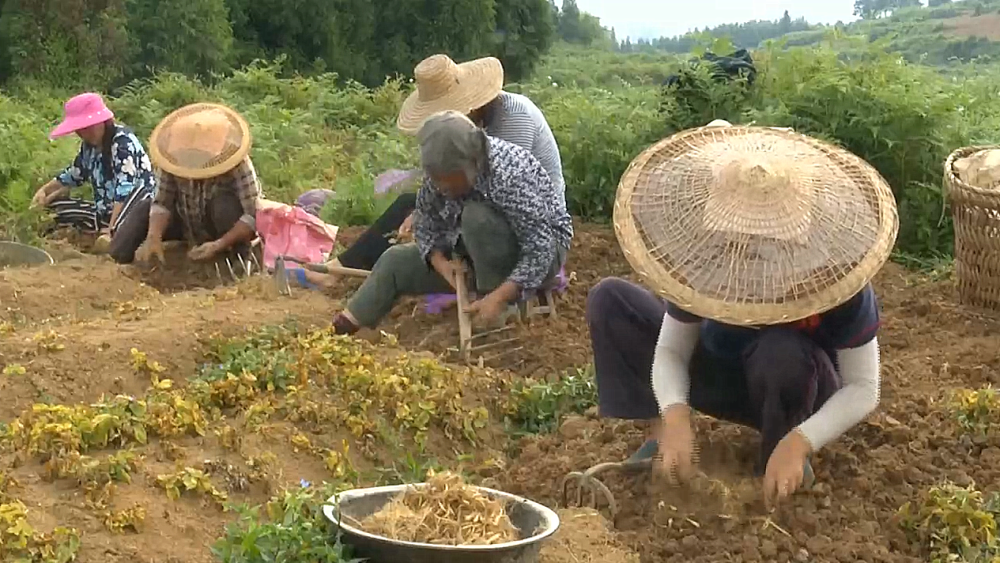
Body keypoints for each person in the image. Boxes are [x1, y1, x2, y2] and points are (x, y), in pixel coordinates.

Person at [586, 123, 899, 507]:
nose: (751, 248)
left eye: (764, 239)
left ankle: (777, 453)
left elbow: (864, 388)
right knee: (613, 299)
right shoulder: (710, 259)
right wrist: (675, 413)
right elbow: (671, 351)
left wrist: (801, 441)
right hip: (722, 374)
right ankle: (660, 439)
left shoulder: (836, 275)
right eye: (742, 237)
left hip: (800, 388)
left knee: (780, 350)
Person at [292, 53, 564, 289]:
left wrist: (433, 213)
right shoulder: (476, 126)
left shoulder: (513, 118)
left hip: (523, 217)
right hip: (483, 199)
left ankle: (477, 286)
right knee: (408, 205)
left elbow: (497, 191)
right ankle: (338, 269)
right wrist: (425, 209)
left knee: (448, 216)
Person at [330, 111, 573, 335]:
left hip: (541, 252)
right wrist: (441, 264)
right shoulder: (438, 177)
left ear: (471, 163)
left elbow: (540, 249)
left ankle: (495, 310)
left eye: (447, 179)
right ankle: (345, 327)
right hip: (475, 251)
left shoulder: (509, 175)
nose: (441, 186)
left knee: (476, 217)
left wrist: (498, 297)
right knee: (396, 260)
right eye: (435, 179)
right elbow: (425, 223)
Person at [130, 103, 262, 266]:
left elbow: (253, 214)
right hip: (187, 224)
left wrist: (218, 245)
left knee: (224, 206)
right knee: (144, 209)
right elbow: (162, 203)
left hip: (222, 229)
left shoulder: (237, 164)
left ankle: (236, 258)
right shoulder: (173, 159)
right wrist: (154, 236)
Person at [31, 93, 156, 262]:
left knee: (137, 201)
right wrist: (44, 191)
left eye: (88, 127)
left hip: (133, 210)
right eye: (80, 129)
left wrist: (111, 228)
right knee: (55, 206)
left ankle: (113, 236)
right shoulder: (89, 148)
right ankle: (106, 231)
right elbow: (74, 174)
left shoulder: (122, 143)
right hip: (104, 211)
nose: (84, 133)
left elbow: (124, 190)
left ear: (102, 122)